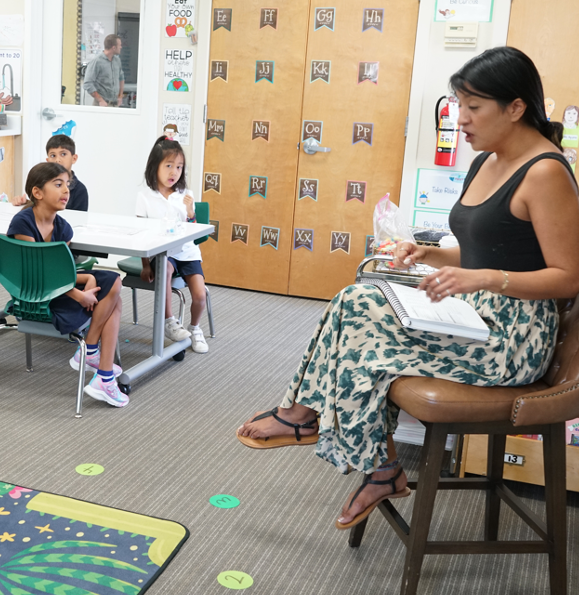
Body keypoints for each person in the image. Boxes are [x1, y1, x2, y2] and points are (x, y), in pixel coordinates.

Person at [236, 46, 579, 530]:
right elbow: (492, 248)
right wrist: (430, 254)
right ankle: (349, 447)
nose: (461, 119)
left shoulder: (545, 172)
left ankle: (331, 435)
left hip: (512, 338)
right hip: (473, 312)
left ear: (516, 107)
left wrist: (483, 279)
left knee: (361, 313)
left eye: (473, 107)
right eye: (459, 105)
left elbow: (568, 277)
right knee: (363, 288)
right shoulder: (487, 161)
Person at [7, 163, 128, 408]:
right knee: (114, 299)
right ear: (37, 192)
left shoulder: (63, 228)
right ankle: (99, 368)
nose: (66, 191)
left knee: (113, 283)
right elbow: (38, 275)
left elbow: (63, 272)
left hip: (57, 288)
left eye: (67, 185)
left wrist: (89, 279)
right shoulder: (23, 224)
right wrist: (79, 296)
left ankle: (97, 362)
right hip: (37, 297)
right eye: (58, 184)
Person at [134, 137, 209, 354]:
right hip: (162, 254)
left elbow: (193, 230)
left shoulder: (186, 195)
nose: (173, 172)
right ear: (154, 167)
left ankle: (194, 327)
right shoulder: (145, 197)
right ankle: (170, 321)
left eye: (178, 167)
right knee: (165, 268)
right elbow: (142, 235)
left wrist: (192, 213)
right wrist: (146, 265)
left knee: (200, 295)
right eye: (168, 166)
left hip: (188, 252)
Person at [11, 134, 89, 211]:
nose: (57, 160)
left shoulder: (80, 190)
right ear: (47, 160)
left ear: (74, 158)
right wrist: (24, 203)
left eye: (63, 154)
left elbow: (79, 219)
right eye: (53, 156)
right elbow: (38, 207)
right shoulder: (42, 183)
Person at [83, 34, 124, 107]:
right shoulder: (97, 62)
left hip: (115, 105)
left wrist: (120, 96)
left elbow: (121, 78)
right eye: (120, 45)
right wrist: (100, 100)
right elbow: (88, 84)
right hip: (101, 104)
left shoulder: (117, 61)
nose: (121, 47)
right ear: (113, 47)